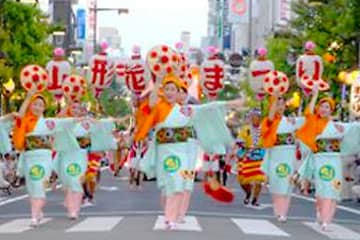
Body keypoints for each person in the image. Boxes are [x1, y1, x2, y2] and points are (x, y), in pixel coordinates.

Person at [135, 73, 244, 230]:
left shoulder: (186, 110)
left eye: (173, 89)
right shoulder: (159, 107)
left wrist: (231, 103)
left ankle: (172, 217)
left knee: (181, 183)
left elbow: (208, 108)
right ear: (162, 91)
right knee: (169, 185)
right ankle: (172, 213)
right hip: (166, 152)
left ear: (179, 93)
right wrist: (158, 80)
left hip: (185, 153)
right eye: (167, 89)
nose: (170, 92)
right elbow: (151, 103)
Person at [13, 91, 79, 227]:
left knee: (38, 184)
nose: (37, 107)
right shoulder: (25, 121)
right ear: (30, 106)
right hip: (29, 158)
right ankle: (38, 210)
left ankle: (34, 216)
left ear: (44, 108)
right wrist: (28, 95)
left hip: (44, 159)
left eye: (40, 105)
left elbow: (61, 119)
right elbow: (19, 115)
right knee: (32, 188)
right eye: (34, 104)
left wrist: (70, 104)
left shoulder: (48, 123)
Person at [295, 86, 352, 231]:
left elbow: (350, 135)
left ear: (331, 110)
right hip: (320, 158)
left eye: (327, 107)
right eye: (322, 106)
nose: (323, 109)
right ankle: (320, 211)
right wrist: (314, 96)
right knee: (322, 188)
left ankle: (327, 219)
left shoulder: (337, 126)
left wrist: (342, 133)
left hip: (334, 160)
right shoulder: (313, 121)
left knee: (334, 188)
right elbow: (308, 112)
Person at [261, 94, 297, 222]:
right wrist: (274, 97)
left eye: (282, 104)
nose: (280, 107)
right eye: (277, 104)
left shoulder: (291, 121)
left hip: (289, 156)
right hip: (275, 155)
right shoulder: (268, 121)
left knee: (287, 185)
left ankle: (283, 212)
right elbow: (269, 122)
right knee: (277, 185)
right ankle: (279, 211)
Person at [237, 108, 266, 207]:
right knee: (242, 180)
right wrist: (245, 146)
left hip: (259, 156)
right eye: (253, 116)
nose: (255, 118)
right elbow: (239, 141)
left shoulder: (264, 129)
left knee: (259, 179)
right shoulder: (246, 129)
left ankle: (255, 199)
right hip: (246, 156)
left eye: (257, 116)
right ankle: (248, 192)